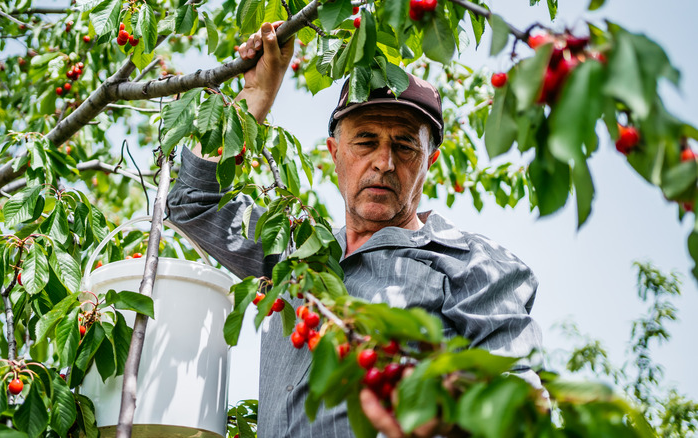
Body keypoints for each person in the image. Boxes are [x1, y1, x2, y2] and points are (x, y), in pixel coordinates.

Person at [166, 21, 543, 438]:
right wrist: (253, 99)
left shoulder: (474, 265)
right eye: (365, 141)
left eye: (405, 145)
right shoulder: (296, 253)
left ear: (428, 163)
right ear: (334, 154)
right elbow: (191, 203)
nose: (384, 162)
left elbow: (518, 402)